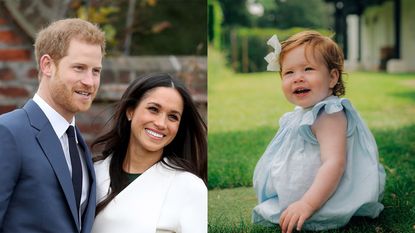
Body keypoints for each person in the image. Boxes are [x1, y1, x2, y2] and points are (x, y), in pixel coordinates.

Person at [253, 31, 386, 233]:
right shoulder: (304, 113)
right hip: (310, 193)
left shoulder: (329, 114)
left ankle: (310, 206)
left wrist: (307, 204)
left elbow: (334, 162)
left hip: (322, 197)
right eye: (289, 72)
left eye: (308, 69)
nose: (298, 78)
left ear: (332, 77)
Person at [0, 18, 105, 232]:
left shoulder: (78, 145)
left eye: (96, 71)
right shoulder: (8, 132)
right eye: (79, 68)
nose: (90, 82)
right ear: (47, 65)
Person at [91, 73, 207, 233]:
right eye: (153, 109)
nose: (161, 123)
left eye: (173, 117)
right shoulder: (92, 174)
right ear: (130, 111)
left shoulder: (189, 187)